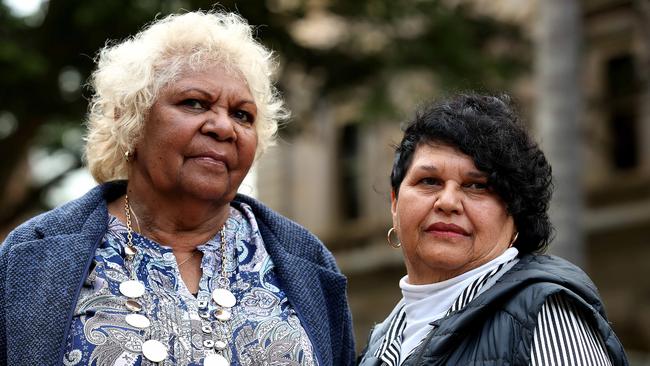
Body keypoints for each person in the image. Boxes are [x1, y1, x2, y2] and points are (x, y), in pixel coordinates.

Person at [0, 11, 355, 366]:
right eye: (195, 103)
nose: (223, 127)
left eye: (242, 115)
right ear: (132, 121)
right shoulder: (33, 255)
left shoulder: (307, 260)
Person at [357, 94, 628, 366]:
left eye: (477, 186)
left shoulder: (543, 316)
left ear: (516, 213)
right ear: (395, 203)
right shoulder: (380, 344)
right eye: (429, 181)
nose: (448, 202)